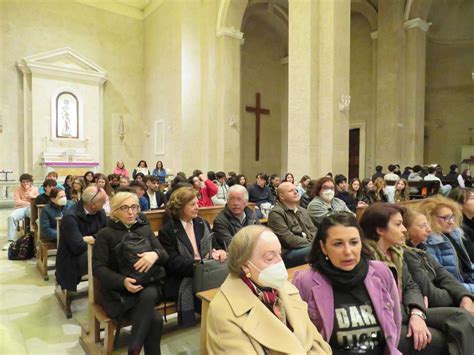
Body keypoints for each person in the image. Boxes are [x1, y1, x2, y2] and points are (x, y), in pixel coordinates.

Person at [206, 225, 331, 354]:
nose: (280, 263)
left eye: (280, 254)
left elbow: (317, 343)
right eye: (270, 258)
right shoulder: (223, 311)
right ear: (245, 266)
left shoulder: (286, 288)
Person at [293, 213, 402, 355]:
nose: (348, 251)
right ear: (323, 247)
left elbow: (395, 321)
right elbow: (300, 338)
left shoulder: (381, 271)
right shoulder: (304, 282)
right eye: (338, 244)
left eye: (354, 242)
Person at [360, 203, 456, 355]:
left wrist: (416, 312)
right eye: (398, 224)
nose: (404, 230)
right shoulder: (366, 260)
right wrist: (414, 311)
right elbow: (382, 306)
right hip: (385, 322)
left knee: (460, 317)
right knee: (441, 340)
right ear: (379, 230)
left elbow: (411, 286)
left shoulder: (396, 253)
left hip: (406, 311)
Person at [93, 192, 168, 355]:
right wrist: (123, 281)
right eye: (125, 208)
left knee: (148, 292)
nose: (131, 212)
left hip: (148, 285)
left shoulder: (144, 228)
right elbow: (98, 268)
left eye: (134, 207)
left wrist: (154, 254)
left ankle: (134, 348)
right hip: (120, 294)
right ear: (114, 211)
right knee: (154, 319)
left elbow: (164, 255)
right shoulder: (105, 234)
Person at [159, 187, 226, 327]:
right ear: (180, 207)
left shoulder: (202, 223)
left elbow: (214, 246)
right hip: (183, 276)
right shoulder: (168, 231)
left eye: (197, 203)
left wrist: (219, 252)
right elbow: (173, 262)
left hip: (206, 271)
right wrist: (199, 264)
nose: (197, 207)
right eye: (192, 204)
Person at [402, 209, 474, 314]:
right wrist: (457, 296)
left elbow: (444, 276)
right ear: (406, 230)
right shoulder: (408, 254)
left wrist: (464, 296)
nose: (429, 229)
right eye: (422, 226)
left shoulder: (421, 249)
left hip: (448, 295)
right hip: (427, 307)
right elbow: (430, 295)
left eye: (427, 224)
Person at [56, 186, 107, 292]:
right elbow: (77, 247)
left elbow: (106, 234)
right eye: (103, 201)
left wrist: (92, 238)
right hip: (72, 259)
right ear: (93, 204)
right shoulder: (70, 217)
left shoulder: (100, 212)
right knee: (102, 258)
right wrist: (98, 238)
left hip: (93, 250)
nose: (105, 204)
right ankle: (101, 292)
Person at [419, 195, 474, 292]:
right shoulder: (429, 243)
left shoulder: (454, 234)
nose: (451, 221)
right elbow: (444, 282)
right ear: (430, 218)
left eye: (452, 216)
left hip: (466, 283)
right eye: (445, 218)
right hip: (456, 291)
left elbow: (467, 268)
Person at [267, 182, 316, 268]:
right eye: (291, 191)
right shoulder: (276, 213)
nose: (295, 192)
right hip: (289, 252)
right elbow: (288, 240)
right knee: (317, 250)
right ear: (282, 196)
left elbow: (313, 230)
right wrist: (312, 243)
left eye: (296, 190)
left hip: (307, 246)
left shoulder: (302, 210)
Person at [212, 184, 260, 249]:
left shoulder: (252, 215)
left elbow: (260, 238)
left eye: (239, 199)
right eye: (232, 199)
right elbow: (232, 246)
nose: (235, 203)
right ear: (227, 201)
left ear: (246, 202)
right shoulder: (220, 221)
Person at [6, 173, 39, 247]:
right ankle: (11, 240)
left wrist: (30, 194)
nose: (25, 183)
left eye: (27, 181)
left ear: (31, 182)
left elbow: (37, 200)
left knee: (36, 218)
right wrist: (29, 202)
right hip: (20, 208)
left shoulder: (35, 189)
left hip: (31, 208)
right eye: (23, 182)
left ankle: (37, 237)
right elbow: (17, 201)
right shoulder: (17, 189)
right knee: (11, 217)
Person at [448, 188, 474, 260]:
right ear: (459, 204)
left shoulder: (470, 221)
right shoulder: (458, 227)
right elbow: (471, 256)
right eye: (472, 198)